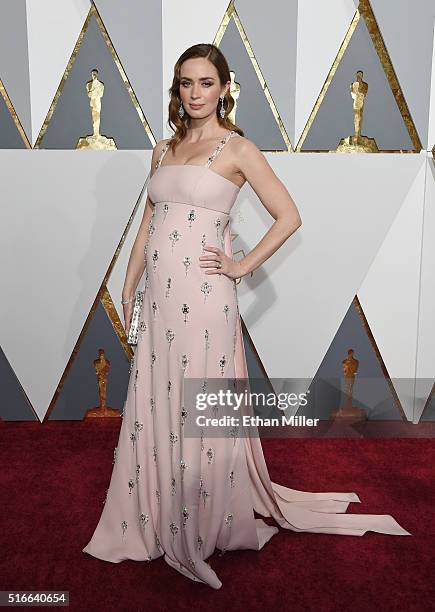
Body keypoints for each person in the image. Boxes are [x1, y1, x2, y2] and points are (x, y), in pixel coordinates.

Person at [82, 43, 410, 590]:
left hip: (206, 300)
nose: (195, 94)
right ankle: (149, 517)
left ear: (225, 88)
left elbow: (289, 216)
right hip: (160, 300)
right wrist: (129, 282)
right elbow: (148, 223)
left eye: (206, 83)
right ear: (176, 90)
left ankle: (199, 523)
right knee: (154, 400)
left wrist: (239, 265)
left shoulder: (238, 149)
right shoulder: (162, 150)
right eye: (186, 83)